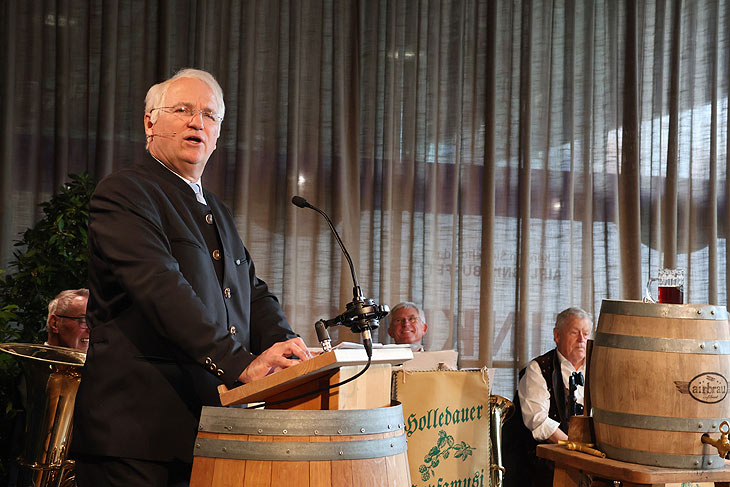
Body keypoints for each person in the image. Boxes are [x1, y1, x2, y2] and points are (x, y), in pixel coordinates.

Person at [72, 68, 311, 487]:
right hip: (137, 438)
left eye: (209, 115)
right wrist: (242, 365)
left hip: (210, 434)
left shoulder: (216, 207)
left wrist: (284, 350)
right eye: (182, 110)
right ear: (150, 122)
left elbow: (250, 290)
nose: (197, 122)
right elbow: (161, 289)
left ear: (218, 134)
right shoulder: (125, 193)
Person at [502, 307, 592, 487]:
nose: (582, 340)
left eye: (586, 333)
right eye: (575, 333)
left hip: (586, 461)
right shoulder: (538, 369)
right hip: (538, 468)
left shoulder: (595, 367)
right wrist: (576, 452)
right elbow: (538, 420)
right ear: (557, 336)